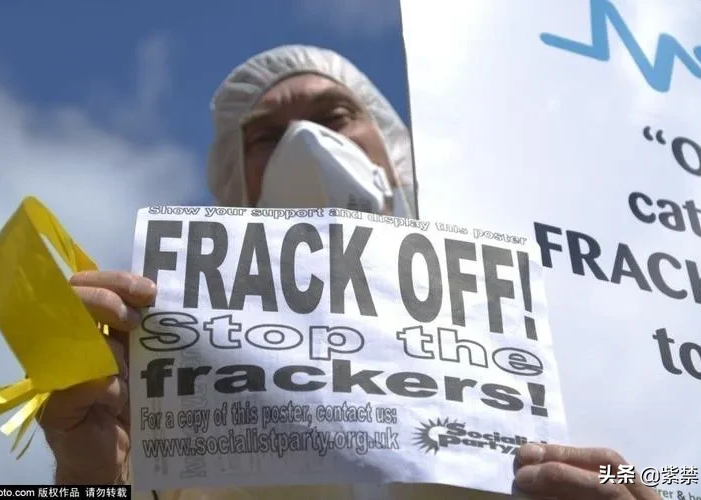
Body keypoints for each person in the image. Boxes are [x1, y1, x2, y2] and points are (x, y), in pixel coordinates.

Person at [38, 45, 661, 500]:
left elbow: (676, 468)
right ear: (236, 184)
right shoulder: (164, 393)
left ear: (395, 152)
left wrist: (640, 488)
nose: (304, 141)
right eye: (266, 137)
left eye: (334, 116)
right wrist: (92, 478)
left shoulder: (542, 337)